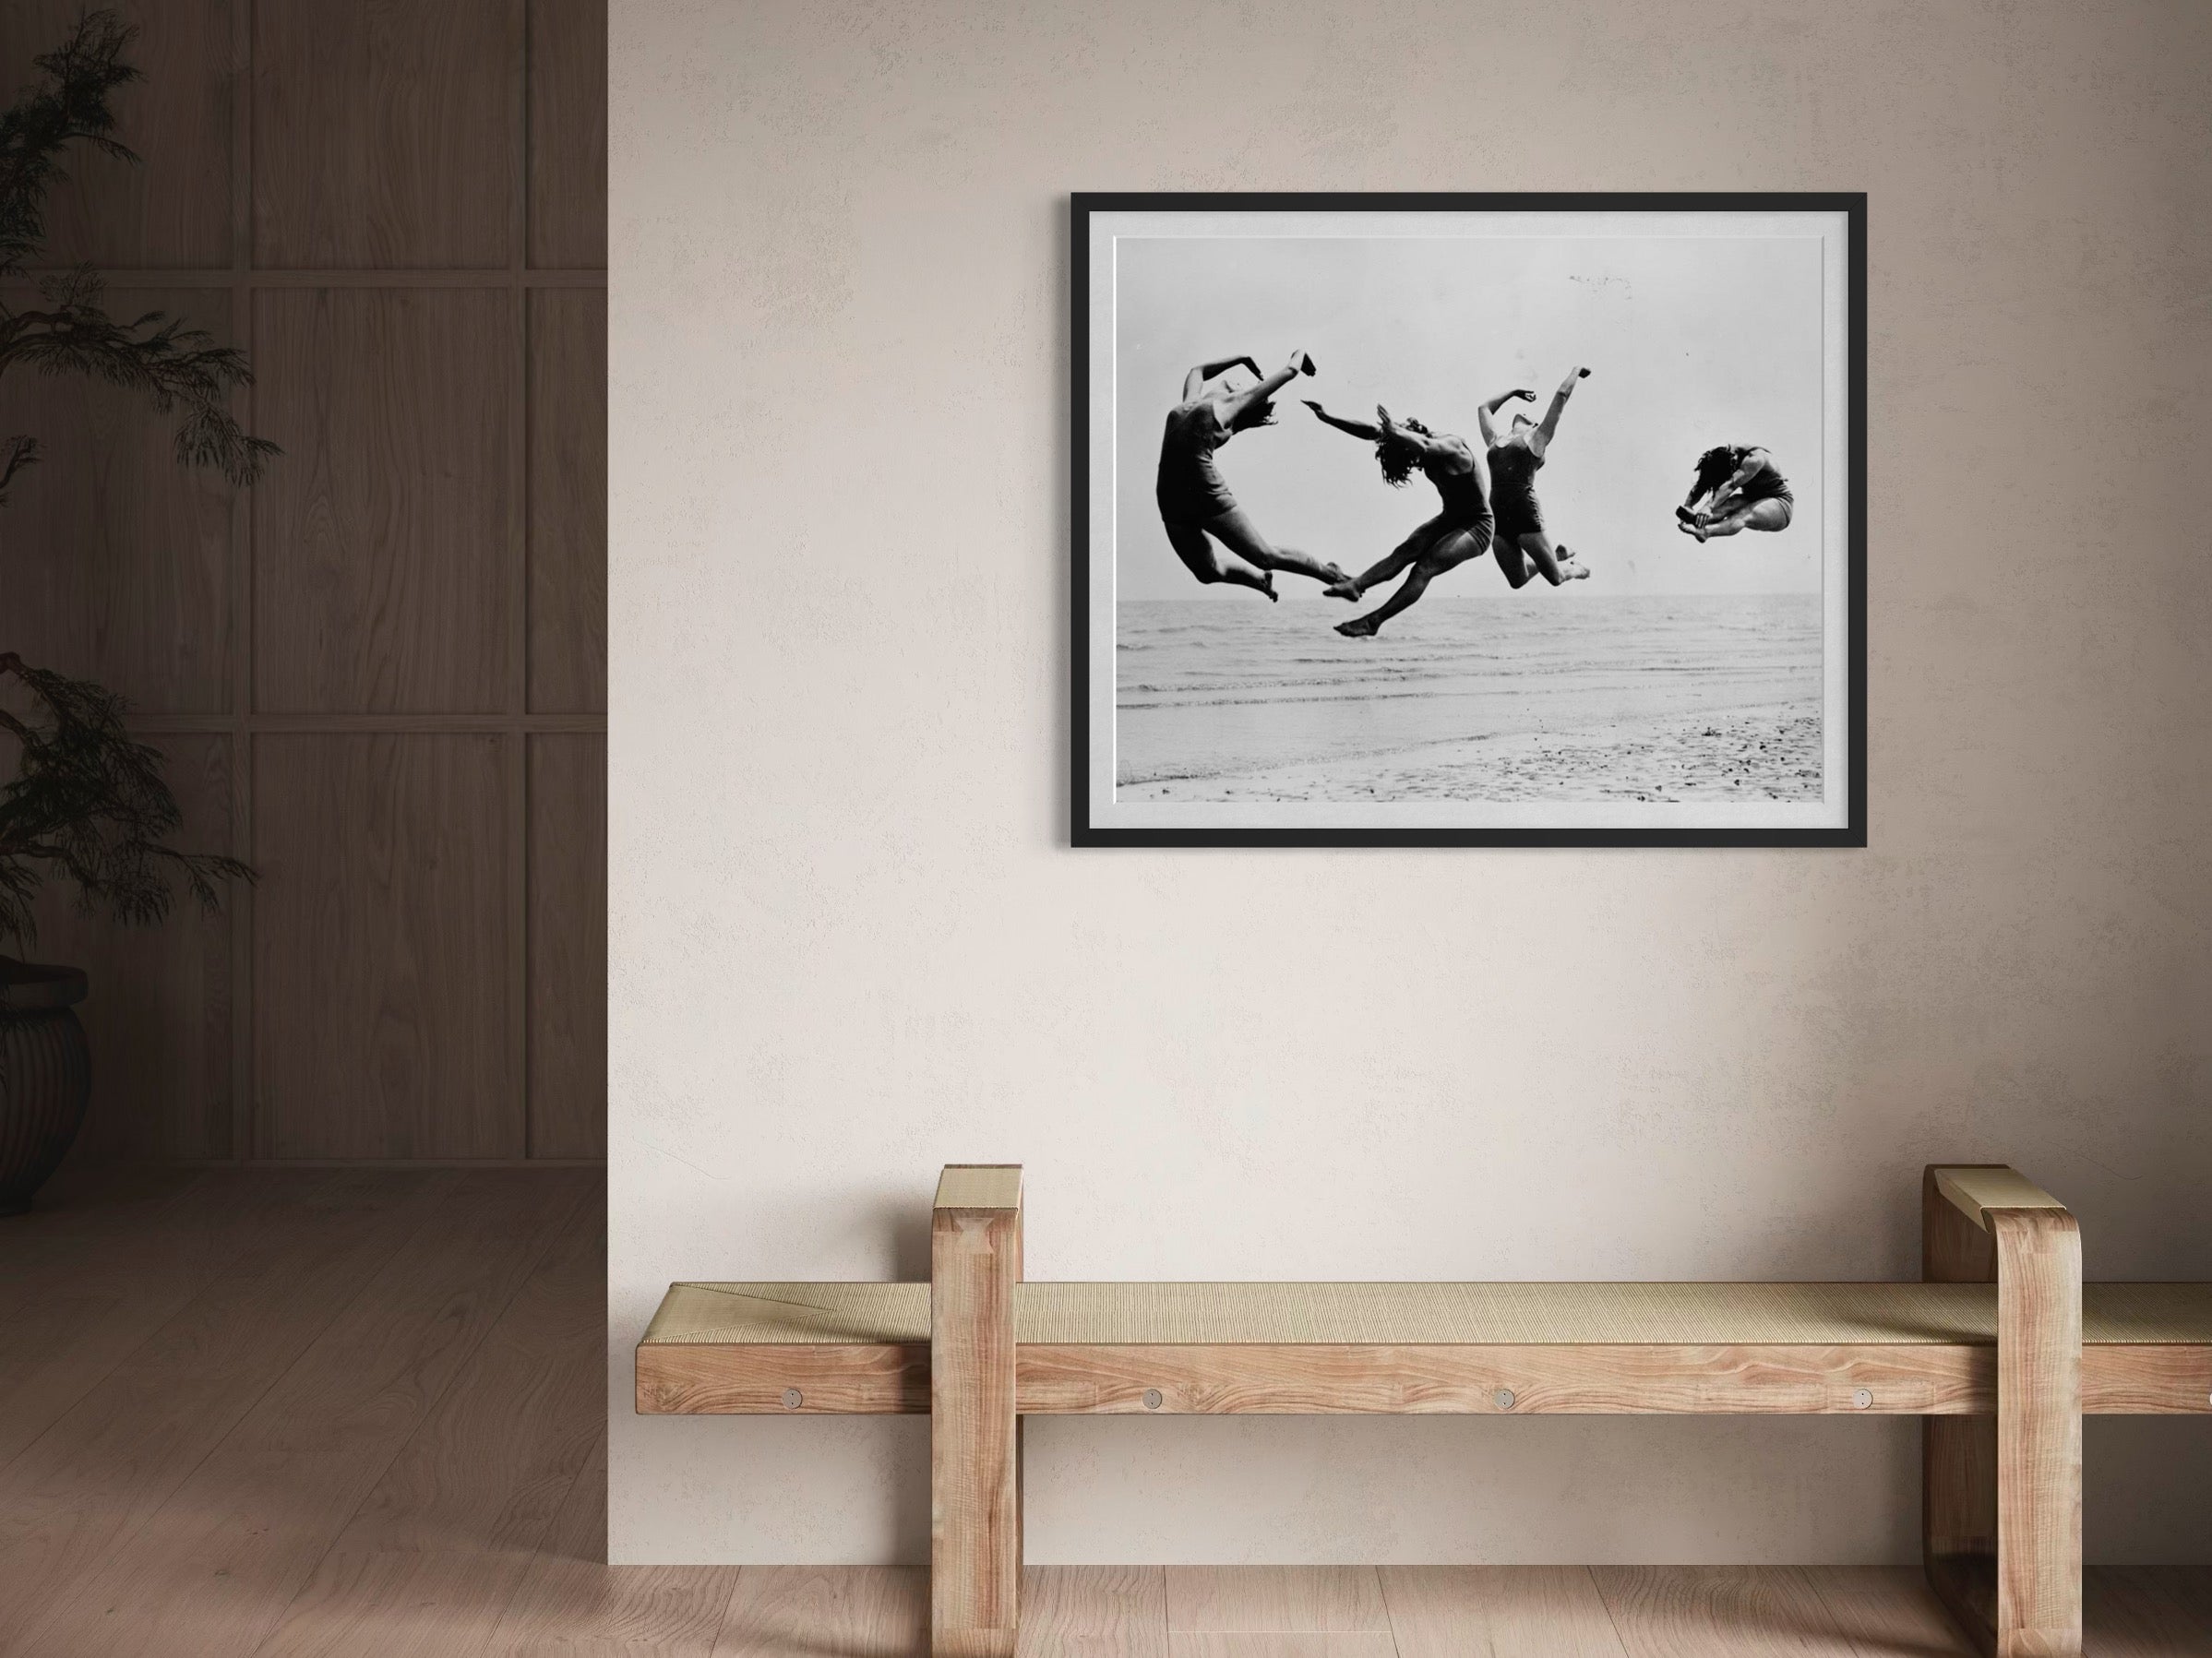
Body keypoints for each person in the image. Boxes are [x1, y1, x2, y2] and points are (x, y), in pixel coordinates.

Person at [1154, 349, 1346, 600]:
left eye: (1237, 384)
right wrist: (1240, 358)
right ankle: (1260, 582)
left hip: (1205, 493)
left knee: (1265, 556)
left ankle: (1332, 574)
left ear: (1238, 395)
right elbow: (1197, 371)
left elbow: (1290, 371)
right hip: (1171, 501)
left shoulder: (1228, 404)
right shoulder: (1191, 401)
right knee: (1206, 572)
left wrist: (1300, 353)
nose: (1231, 381)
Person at [1300, 400, 1496, 637]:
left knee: (1424, 568)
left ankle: (1373, 621)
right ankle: (1355, 585)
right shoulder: (1413, 443)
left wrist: (1394, 429)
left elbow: (1423, 445)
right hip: (1450, 518)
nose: (1416, 465)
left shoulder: (1452, 445)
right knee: (1404, 551)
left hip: (1478, 526)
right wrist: (1328, 417)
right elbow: (1373, 433)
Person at [1478, 366, 1594, 585]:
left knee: (1556, 578)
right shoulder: (1496, 440)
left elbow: (1561, 396)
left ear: (1534, 425)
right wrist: (1513, 392)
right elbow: (1483, 408)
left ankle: (1575, 569)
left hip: (1523, 511)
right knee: (1517, 579)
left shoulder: (1537, 438)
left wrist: (1576, 371)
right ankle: (1555, 557)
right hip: (1498, 516)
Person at [1677, 445, 1793, 540]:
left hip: (1780, 504)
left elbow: (1731, 485)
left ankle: (1706, 532)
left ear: (1734, 461)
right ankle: (1698, 519)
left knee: (1743, 514)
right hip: (1752, 497)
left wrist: (1707, 507)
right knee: (1732, 502)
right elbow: (1703, 482)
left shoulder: (1755, 458)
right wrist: (1688, 506)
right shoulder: (1719, 456)